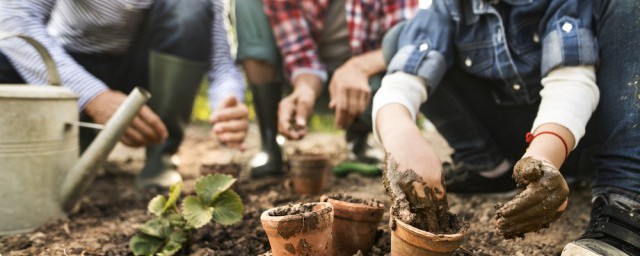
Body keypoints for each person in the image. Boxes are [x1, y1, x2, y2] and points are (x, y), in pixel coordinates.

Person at [376, 0, 639, 255]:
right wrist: (401, 136)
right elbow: (403, 81)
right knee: (398, 39)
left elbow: (571, 81)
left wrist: (545, 156)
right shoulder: (448, 7)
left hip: (584, 137)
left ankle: (625, 200)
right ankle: (491, 169)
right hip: (519, 150)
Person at [0, 0, 249, 190]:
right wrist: (93, 96)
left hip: (146, 71)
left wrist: (228, 101)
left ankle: (160, 154)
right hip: (75, 65)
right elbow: (12, 18)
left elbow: (221, 63)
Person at [235, 0, 419, 177]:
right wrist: (305, 89)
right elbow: (300, 54)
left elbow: (408, 41)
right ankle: (269, 143)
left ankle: (359, 136)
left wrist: (359, 68)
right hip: (300, 81)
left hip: (367, 83)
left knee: (404, 70)